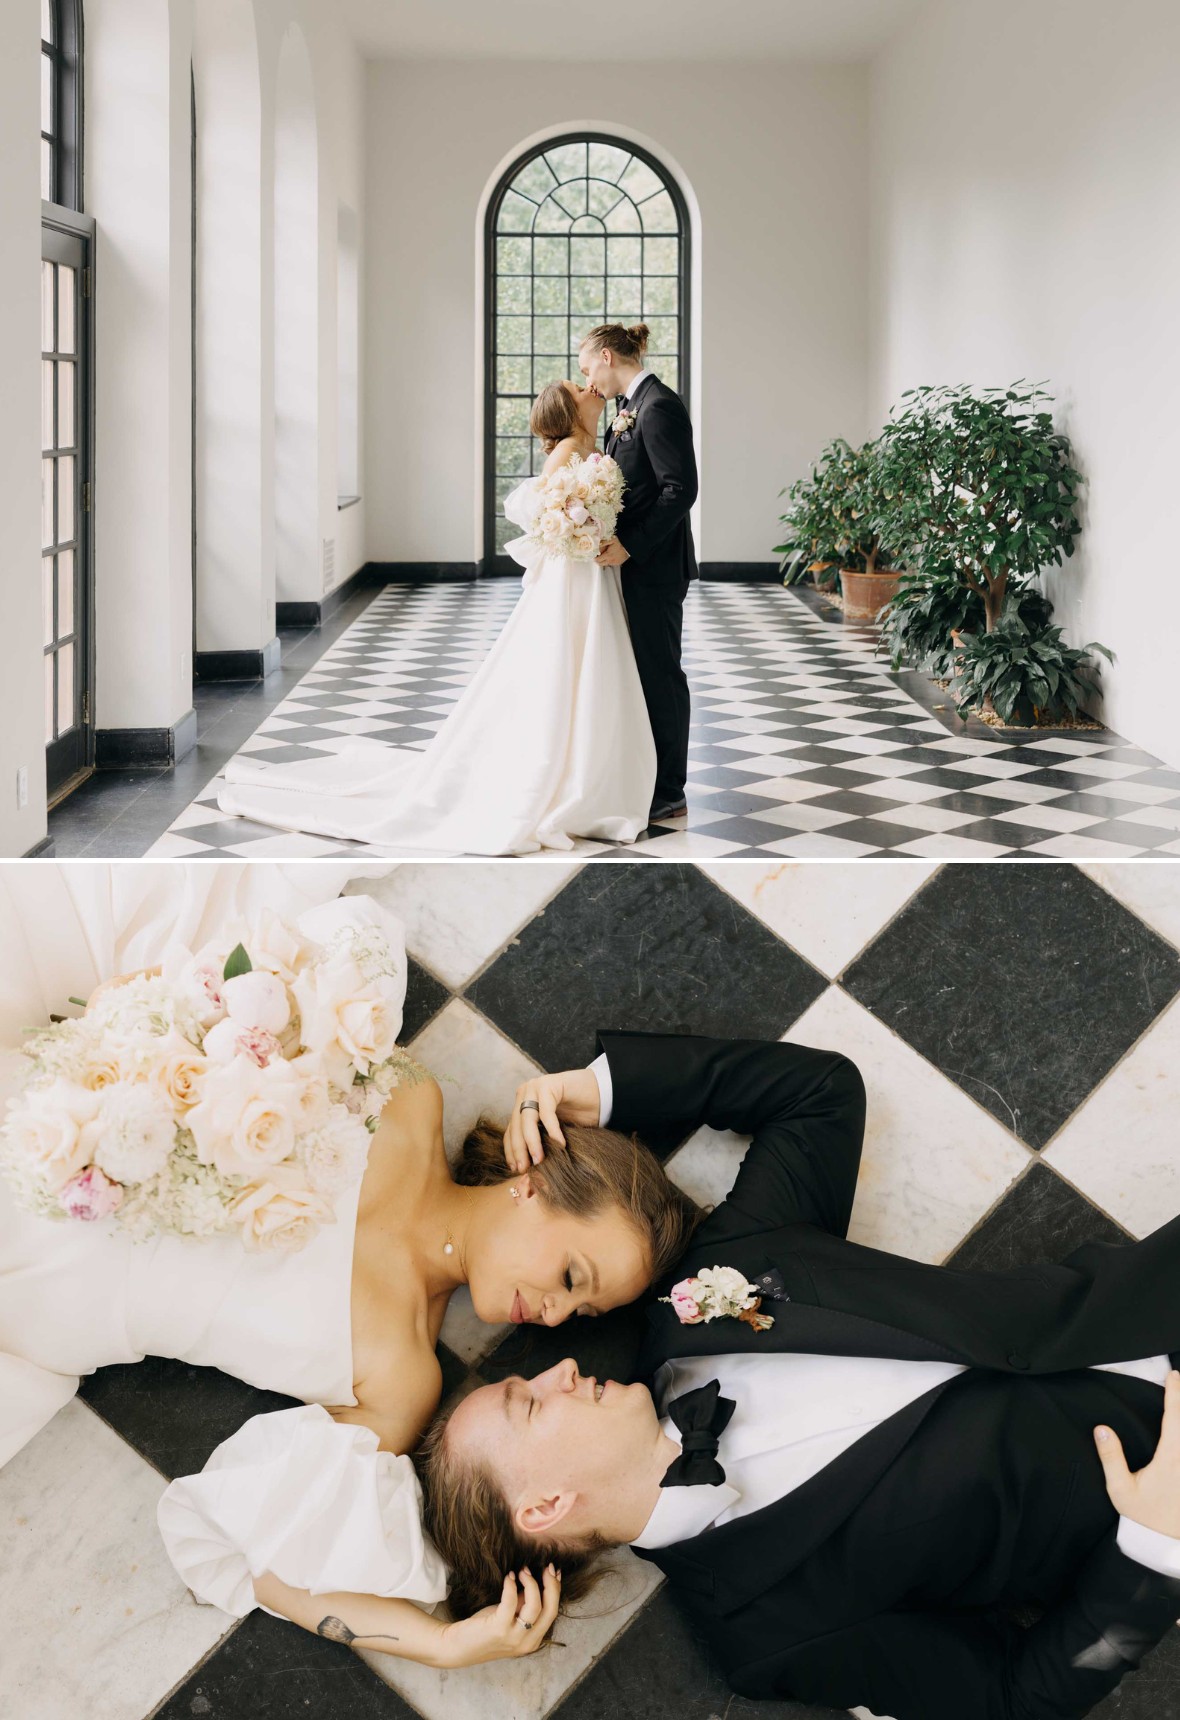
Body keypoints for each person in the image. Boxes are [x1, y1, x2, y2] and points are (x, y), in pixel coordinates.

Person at [0, 864, 696, 1670]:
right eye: (572, 1277)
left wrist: (439, 1643)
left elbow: (268, 1556)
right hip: (55, 1132)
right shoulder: (407, 1104)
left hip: (36, 1310)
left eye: (580, 1313)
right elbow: (287, 981)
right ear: (534, 1180)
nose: (554, 1315)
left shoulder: (402, 1378)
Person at [419, 1032, 1180, 1717]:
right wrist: (1154, 1547)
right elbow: (1015, 1697)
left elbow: (819, 1096)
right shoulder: (762, 1637)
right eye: (529, 1404)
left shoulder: (696, 1299)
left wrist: (602, 1089)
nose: (559, 1370)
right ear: (546, 1507)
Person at [215, 378, 657, 855]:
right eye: (577, 384)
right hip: (572, 574)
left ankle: (591, 770)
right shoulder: (568, 450)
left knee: (593, 664)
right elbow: (552, 514)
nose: (587, 383)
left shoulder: (599, 441)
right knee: (566, 663)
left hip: (593, 572)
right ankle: (564, 773)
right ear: (569, 407)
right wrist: (580, 528)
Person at [580, 322, 698, 822]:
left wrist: (630, 544)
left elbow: (680, 489)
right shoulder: (630, 407)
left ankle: (669, 790)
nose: (587, 381)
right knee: (642, 675)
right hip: (635, 565)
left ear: (607, 356)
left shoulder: (659, 405)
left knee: (660, 674)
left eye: (588, 368)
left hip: (656, 566)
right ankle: (648, 776)